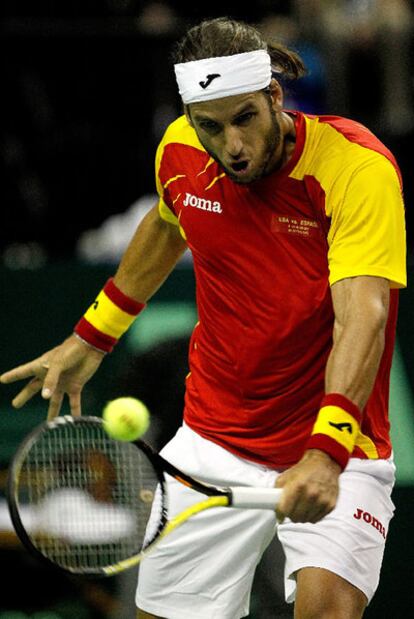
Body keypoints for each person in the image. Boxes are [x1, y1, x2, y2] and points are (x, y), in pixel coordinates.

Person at [1, 16, 406, 619]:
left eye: (245, 117)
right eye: (210, 126)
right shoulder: (181, 152)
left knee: (328, 612)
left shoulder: (355, 168)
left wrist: (326, 450)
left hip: (336, 443)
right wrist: (93, 336)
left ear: (274, 96)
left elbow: (364, 317)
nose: (232, 145)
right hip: (212, 440)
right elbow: (168, 225)